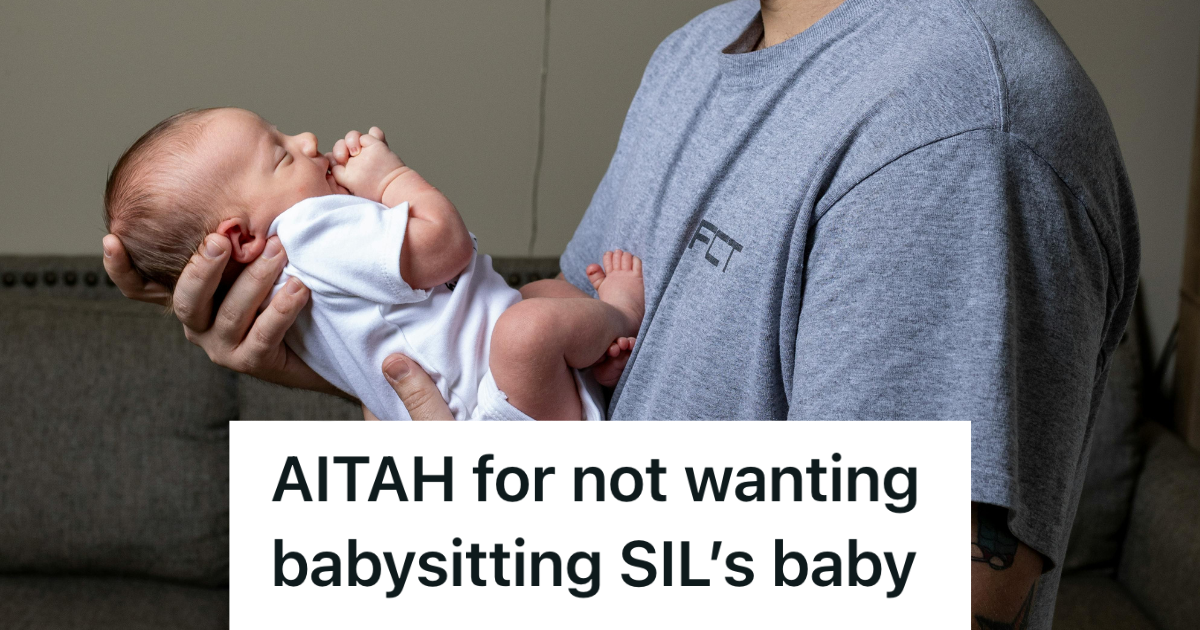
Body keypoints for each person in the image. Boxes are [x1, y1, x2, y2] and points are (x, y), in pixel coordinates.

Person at [104, 0, 1139, 627]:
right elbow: (551, 408)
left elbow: (935, 593)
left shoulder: (955, 124)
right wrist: (342, 365)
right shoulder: (695, 55)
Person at [103, 107, 642, 420]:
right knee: (527, 328)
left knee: (543, 296)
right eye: (282, 154)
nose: (307, 140)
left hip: (474, 408)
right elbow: (444, 249)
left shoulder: (275, 296)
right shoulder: (308, 231)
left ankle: (591, 361)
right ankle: (618, 312)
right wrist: (389, 180)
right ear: (240, 238)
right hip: (494, 411)